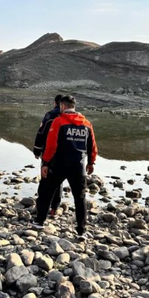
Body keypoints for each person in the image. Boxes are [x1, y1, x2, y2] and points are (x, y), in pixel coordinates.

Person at [33, 95, 97, 239]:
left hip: (59, 165)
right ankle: (81, 230)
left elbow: (51, 145)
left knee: (47, 191)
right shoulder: (87, 124)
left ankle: (39, 221)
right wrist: (91, 162)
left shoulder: (58, 121)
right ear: (74, 106)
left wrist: (45, 163)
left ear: (62, 106)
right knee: (80, 198)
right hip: (78, 166)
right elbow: (92, 145)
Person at [33, 94, 63, 216]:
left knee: (45, 178)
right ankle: (54, 208)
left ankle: (41, 206)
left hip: (49, 153)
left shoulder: (50, 116)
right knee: (59, 181)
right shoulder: (71, 117)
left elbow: (41, 133)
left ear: (55, 103)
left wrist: (37, 150)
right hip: (65, 154)